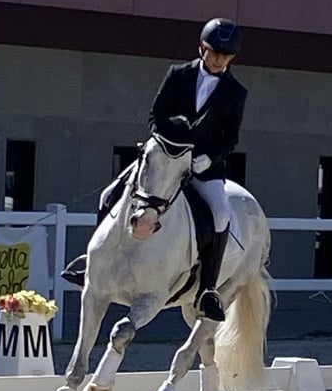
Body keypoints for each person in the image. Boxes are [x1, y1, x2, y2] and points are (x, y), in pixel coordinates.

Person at [61, 18, 247, 322]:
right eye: (214, 52)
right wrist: (169, 139)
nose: (218, 60)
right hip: (163, 157)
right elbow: (155, 115)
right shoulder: (178, 74)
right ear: (202, 48)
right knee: (109, 195)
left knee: (221, 215)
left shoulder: (236, 92)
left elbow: (230, 138)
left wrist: (207, 159)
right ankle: (90, 263)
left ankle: (208, 289)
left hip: (202, 166)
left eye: (225, 56)